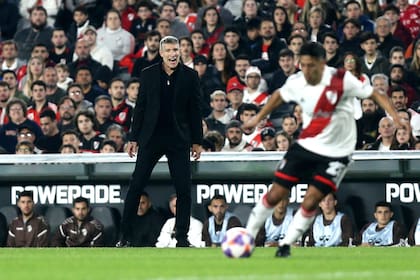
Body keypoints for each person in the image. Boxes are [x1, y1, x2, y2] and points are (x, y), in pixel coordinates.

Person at [244, 42, 406, 257]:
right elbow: (278, 96)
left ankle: (286, 245)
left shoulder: (341, 79)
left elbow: (375, 94)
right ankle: (247, 238)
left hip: (337, 153)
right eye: (302, 65)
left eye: (311, 65)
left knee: (312, 199)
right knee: (275, 193)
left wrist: (394, 116)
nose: (306, 70)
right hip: (307, 144)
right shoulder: (296, 81)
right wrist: (258, 116)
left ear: (322, 63)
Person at [119, 36, 203, 248]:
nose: (174, 54)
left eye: (177, 50)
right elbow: (140, 108)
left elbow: (195, 110)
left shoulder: (190, 76)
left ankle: (182, 238)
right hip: (151, 138)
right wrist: (133, 138)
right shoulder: (147, 74)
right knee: (136, 185)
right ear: (162, 54)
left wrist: (197, 141)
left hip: (178, 139)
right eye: (170, 50)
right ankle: (125, 237)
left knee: (183, 189)